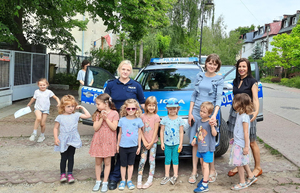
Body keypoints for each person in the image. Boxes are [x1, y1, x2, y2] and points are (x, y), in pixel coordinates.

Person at [104, 60, 145, 190]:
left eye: (128, 70)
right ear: (119, 70)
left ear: (131, 71)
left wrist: (150, 117)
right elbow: (105, 102)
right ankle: (107, 173)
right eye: (123, 69)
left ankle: (115, 177)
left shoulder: (136, 85)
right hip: (114, 121)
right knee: (112, 148)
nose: (125, 72)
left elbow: (142, 103)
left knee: (123, 149)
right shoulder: (111, 84)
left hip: (130, 123)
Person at [188, 54, 224, 184]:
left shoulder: (219, 79)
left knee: (208, 142)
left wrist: (214, 115)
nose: (212, 66)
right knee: (196, 141)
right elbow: (194, 95)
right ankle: (194, 171)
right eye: (210, 63)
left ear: (218, 66)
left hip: (209, 114)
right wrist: (190, 112)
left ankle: (212, 170)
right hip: (197, 112)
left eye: (215, 64)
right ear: (206, 63)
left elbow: (218, 99)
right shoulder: (199, 76)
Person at [227, 58, 262, 177]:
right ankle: (239, 165)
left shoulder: (252, 81)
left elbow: (255, 99)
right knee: (237, 140)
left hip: (247, 112)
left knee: (251, 141)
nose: (241, 69)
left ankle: (257, 167)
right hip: (235, 112)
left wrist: (255, 112)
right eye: (239, 67)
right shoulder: (235, 81)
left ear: (248, 68)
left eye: (244, 66)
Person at [53, 95, 91, 183]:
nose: (71, 108)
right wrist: (55, 138)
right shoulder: (60, 117)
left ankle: (70, 173)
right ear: (63, 107)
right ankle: (62, 174)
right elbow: (55, 128)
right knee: (63, 157)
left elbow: (88, 115)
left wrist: (82, 107)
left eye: (73, 106)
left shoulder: (76, 115)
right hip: (63, 139)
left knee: (71, 157)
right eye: (68, 106)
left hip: (73, 139)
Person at [89, 93, 119, 192]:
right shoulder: (97, 114)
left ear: (106, 103)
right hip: (99, 141)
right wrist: (101, 118)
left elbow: (114, 128)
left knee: (107, 162)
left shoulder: (114, 113)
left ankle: (105, 182)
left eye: (98, 104)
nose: (97, 106)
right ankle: (98, 181)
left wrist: (106, 119)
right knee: (98, 162)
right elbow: (95, 128)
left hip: (109, 141)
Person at [229, 93, 258, 190]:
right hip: (238, 142)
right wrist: (235, 137)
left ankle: (242, 182)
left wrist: (246, 146)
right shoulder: (239, 114)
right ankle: (250, 176)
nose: (233, 104)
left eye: (235, 102)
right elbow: (239, 129)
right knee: (243, 162)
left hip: (241, 145)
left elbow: (246, 133)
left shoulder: (245, 117)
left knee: (239, 163)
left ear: (240, 104)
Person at [117, 99, 143, 190]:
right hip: (123, 146)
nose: (131, 110)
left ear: (136, 109)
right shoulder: (122, 120)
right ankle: (123, 180)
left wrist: (139, 146)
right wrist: (117, 145)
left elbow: (140, 134)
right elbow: (120, 133)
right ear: (125, 109)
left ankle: (129, 180)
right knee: (123, 164)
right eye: (129, 109)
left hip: (133, 146)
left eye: (133, 108)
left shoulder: (139, 120)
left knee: (131, 164)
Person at [191, 102, 217, 193]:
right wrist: (194, 138)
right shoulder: (199, 121)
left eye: (204, 112)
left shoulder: (211, 122)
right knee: (202, 164)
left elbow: (215, 134)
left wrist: (212, 126)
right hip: (201, 147)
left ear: (209, 113)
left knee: (206, 165)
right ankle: (204, 178)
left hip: (208, 148)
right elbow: (198, 131)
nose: (201, 113)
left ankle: (205, 184)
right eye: (201, 111)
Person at [160, 98, 184, 185]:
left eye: (174, 108)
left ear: (178, 108)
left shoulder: (180, 120)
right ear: (167, 109)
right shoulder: (165, 119)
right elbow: (161, 131)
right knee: (167, 159)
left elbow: (181, 132)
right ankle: (166, 175)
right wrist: (162, 142)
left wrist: (181, 144)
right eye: (170, 109)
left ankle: (175, 175)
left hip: (176, 144)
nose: (172, 110)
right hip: (167, 144)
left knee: (175, 159)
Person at [137, 96, 160, 189]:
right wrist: (144, 141)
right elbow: (140, 130)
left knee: (151, 160)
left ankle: (150, 178)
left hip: (153, 143)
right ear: (145, 106)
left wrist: (151, 143)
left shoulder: (156, 117)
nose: (151, 107)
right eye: (149, 105)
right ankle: (139, 178)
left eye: (153, 105)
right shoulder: (142, 116)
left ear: (155, 106)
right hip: (144, 142)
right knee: (142, 160)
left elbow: (155, 131)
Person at [27, 78, 60, 142]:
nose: (42, 86)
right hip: (38, 108)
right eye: (41, 85)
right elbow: (33, 99)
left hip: (45, 110)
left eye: (44, 85)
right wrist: (29, 104)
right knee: (38, 118)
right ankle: (34, 133)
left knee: (42, 124)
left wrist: (59, 103)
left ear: (47, 85)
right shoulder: (36, 92)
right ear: (38, 85)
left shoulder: (49, 92)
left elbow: (56, 97)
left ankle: (42, 135)